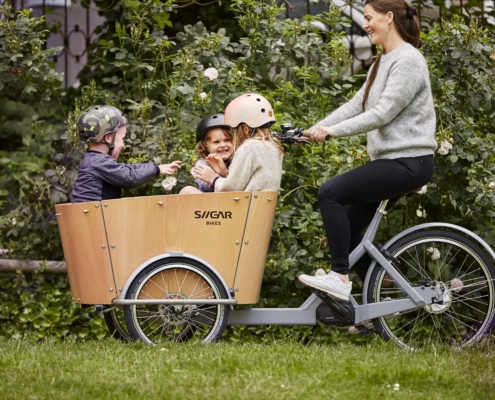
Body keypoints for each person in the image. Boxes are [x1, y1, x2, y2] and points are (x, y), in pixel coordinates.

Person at [298, 0, 437, 307]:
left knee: (330, 193)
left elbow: (383, 113)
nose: (365, 24)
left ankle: (340, 279)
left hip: (409, 162)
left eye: (369, 17)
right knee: (345, 227)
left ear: (389, 18)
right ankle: (379, 306)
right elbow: (356, 105)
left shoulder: (408, 60)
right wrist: (315, 128)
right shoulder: (382, 61)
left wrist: (334, 132)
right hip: (393, 161)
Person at [72, 105, 181, 203]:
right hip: (94, 221)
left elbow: (126, 169)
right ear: (109, 138)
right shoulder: (98, 161)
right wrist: (155, 169)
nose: (123, 145)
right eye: (122, 139)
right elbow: (130, 178)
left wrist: (157, 167)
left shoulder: (93, 160)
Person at [192, 93, 284, 192]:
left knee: (187, 190)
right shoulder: (274, 146)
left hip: (245, 205)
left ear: (245, 129)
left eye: (234, 131)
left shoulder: (249, 147)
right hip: (262, 205)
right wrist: (224, 172)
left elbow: (231, 188)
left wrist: (214, 180)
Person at [179, 114, 233, 195]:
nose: (222, 145)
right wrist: (213, 178)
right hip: (209, 204)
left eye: (227, 140)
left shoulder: (237, 160)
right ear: (204, 146)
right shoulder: (203, 163)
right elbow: (205, 185)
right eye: (216, 142)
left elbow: (239, 183)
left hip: (234, 201)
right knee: (187, 191)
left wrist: (224, 173)